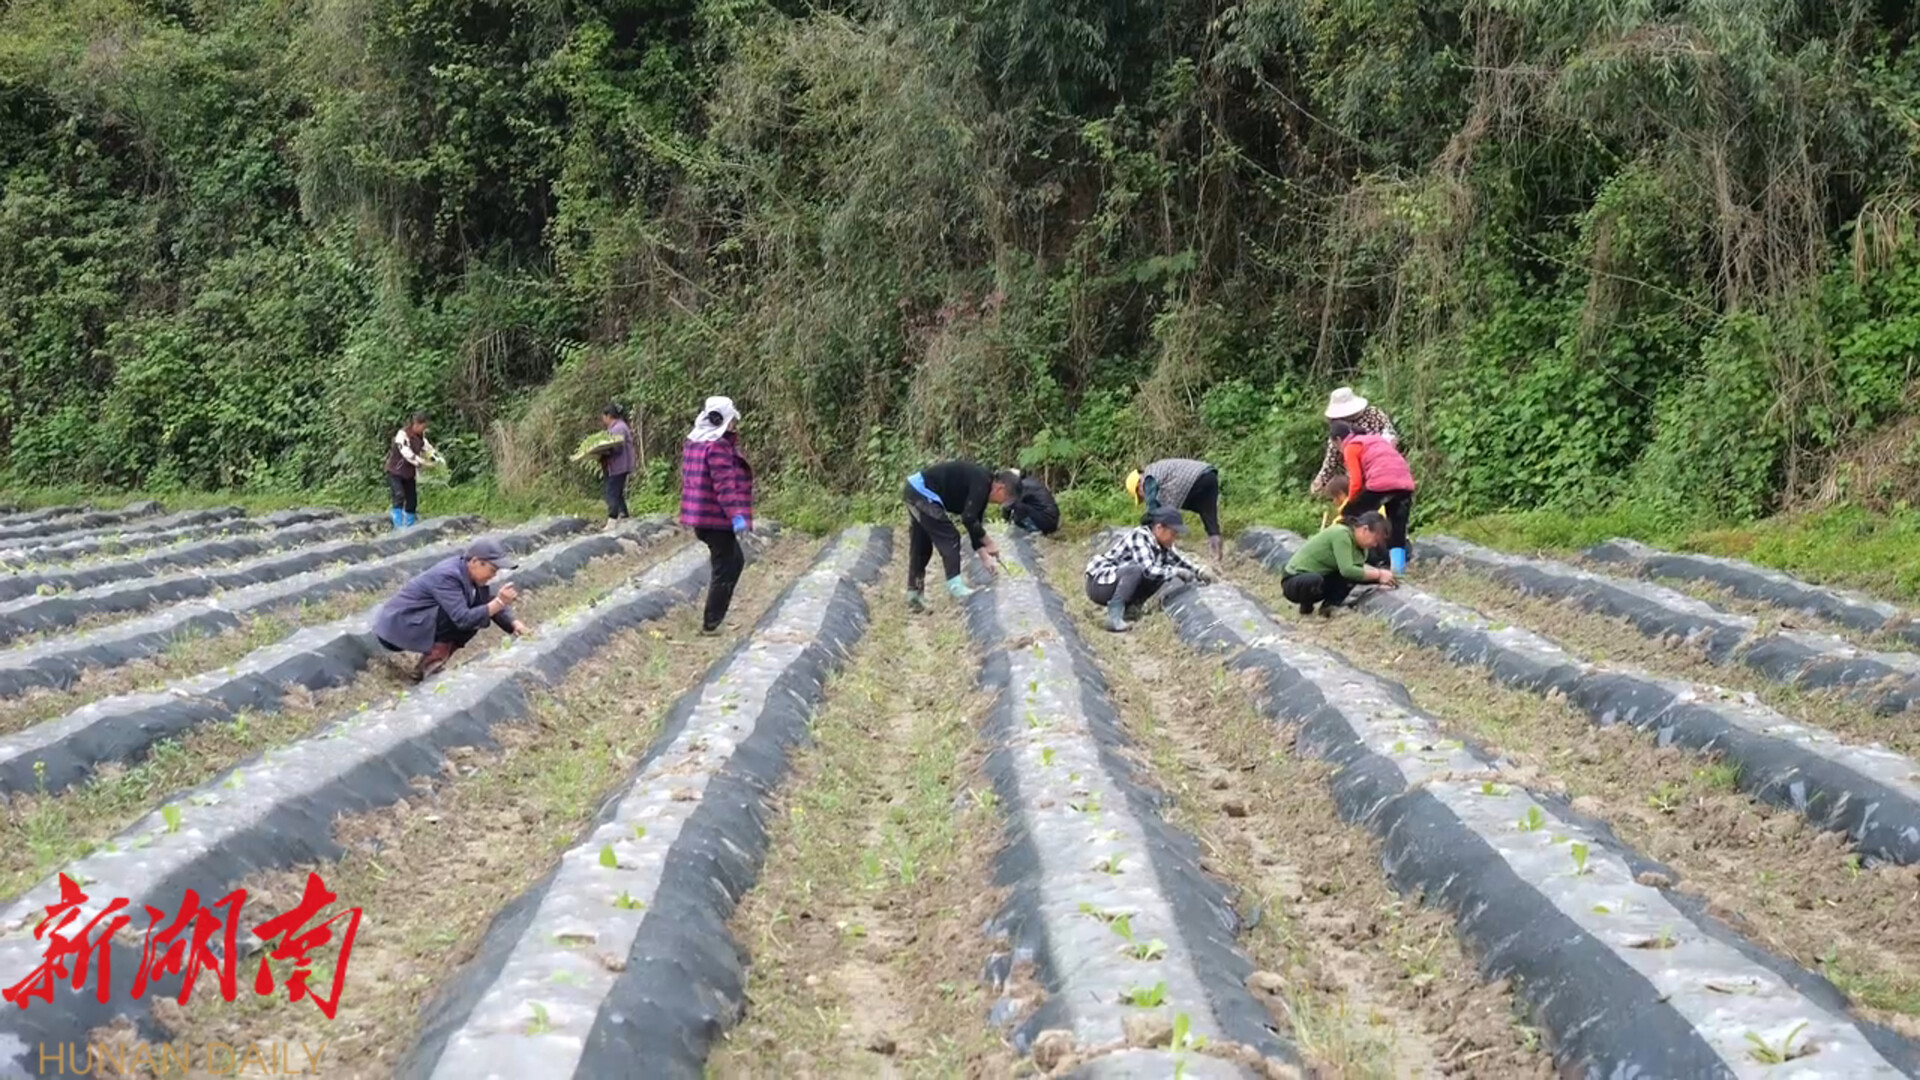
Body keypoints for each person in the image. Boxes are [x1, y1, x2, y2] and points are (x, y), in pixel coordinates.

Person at [373, 537, 527, 681]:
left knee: (478, 611)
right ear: (475, 561)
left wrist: (514, 623)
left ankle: (429, 665)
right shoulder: (448, 576)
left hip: (416, 622)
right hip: (399, 626)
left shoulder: (468, 574)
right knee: (466, 615)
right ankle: (430, 666)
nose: (493, 576)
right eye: (492, 570)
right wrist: (500, 602)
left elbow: (487, 600)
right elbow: (463, 619)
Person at [678, 396, 755, 634]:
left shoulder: (695, 442)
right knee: (726, 567)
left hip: (701, 516)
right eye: (732, 420)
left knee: (734, 562)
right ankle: (711, 624)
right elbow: (724, 487)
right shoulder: (718, 446)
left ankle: (713, 619)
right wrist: (736, 516)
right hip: (715, 518)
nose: (734, 425)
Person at [903, 460, 1019, 611]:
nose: (1002, 504)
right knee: (950, 536)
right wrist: (989, 542)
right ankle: (955, 585)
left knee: (922, 542)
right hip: (922, 491)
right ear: (1000, 488)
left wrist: (985, 557)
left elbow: (973, 524)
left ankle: (913, 593)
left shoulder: (983, 486)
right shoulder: (982, 482)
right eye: (1006, 499)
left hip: (914, 489)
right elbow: (968, 518)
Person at [1084, 508, 1211, 633]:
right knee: (1139, 571)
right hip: (1100, 584)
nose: (1174, 538)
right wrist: (1177, 572)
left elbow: (1179, 560)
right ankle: (1114, 617)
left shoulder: (1162, 545)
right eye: (1172, 534)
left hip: (1117, 582)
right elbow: (1148, 570)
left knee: (1162, 573)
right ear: (1159, 528)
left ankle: (1129, 611)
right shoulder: (1140, 536)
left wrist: (1199, 572)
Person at [1330, 420, 1416, 567]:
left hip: (1381, 482)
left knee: (1349, 515)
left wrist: (1350, 503)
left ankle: (1350, 558)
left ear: (1338, 440)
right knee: (1397, 529)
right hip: (1405, 484)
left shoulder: (1351, 447)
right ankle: (1398, 570)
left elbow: (1356, 482)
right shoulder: (1376, 440)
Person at [1281, 511, 1397, 616]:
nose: (1375, 545)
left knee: (1350, 577)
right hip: (1294, 581)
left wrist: (1383, 578)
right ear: (1365, 529)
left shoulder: (1361, 549)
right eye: (1375, 540)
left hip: (1319, 579)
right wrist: (1378, 574)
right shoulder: (1341, 534)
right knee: (1315, 579)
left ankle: (1329, 607)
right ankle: (1306, 606)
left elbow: (1358, 572)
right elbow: (1347, 570)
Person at [1127, 458, 1224, 561]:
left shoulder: (1148, 478)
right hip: (1209, 475)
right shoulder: (1157, 471)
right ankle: (1216, 550)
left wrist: (1146, 529)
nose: (1144, 498)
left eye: (1141, 496)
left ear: (1139, 486)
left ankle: (1168, 539)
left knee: (1166, 511)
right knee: (1207, 512)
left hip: (1194, 478)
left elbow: (1152, 507)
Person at [1310, 387, 1397, 498]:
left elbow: (1391, 436)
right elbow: (1332, 456)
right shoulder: (1339, 426)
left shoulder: (1373, 414)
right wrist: (1320, 480)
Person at [385, 412, 438, 531]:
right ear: (416, 424)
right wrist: (424, 463)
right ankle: (398, 525)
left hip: (409, 473)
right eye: (423, 427)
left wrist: (435, 459)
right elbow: (407, 454)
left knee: (412, 500)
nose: (424, 429)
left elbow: (427, 448)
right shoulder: (402, 435)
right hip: (396, 472)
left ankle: (410, 525)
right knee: (399, 495)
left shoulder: (420, 437)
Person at [600, 404, 636, 528]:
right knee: (618, 492)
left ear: (609, 416)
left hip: (618, 466)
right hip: (616, 466)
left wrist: (603, 450)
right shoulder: (616, 427)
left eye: (604, 416)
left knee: (612, 492)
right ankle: (624, 514)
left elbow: (616, 447)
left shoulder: (618, 428)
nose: (603, 419)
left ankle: (612, 519)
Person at [1001, 471, 1060, 536]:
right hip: (1051, 521)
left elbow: (1008, 504)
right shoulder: (1029, 482)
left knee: (1018, 505)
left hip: (1046, 521)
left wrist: (1005, 520)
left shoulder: (1022, 486)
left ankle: (1031, 529)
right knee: (1019, 505)